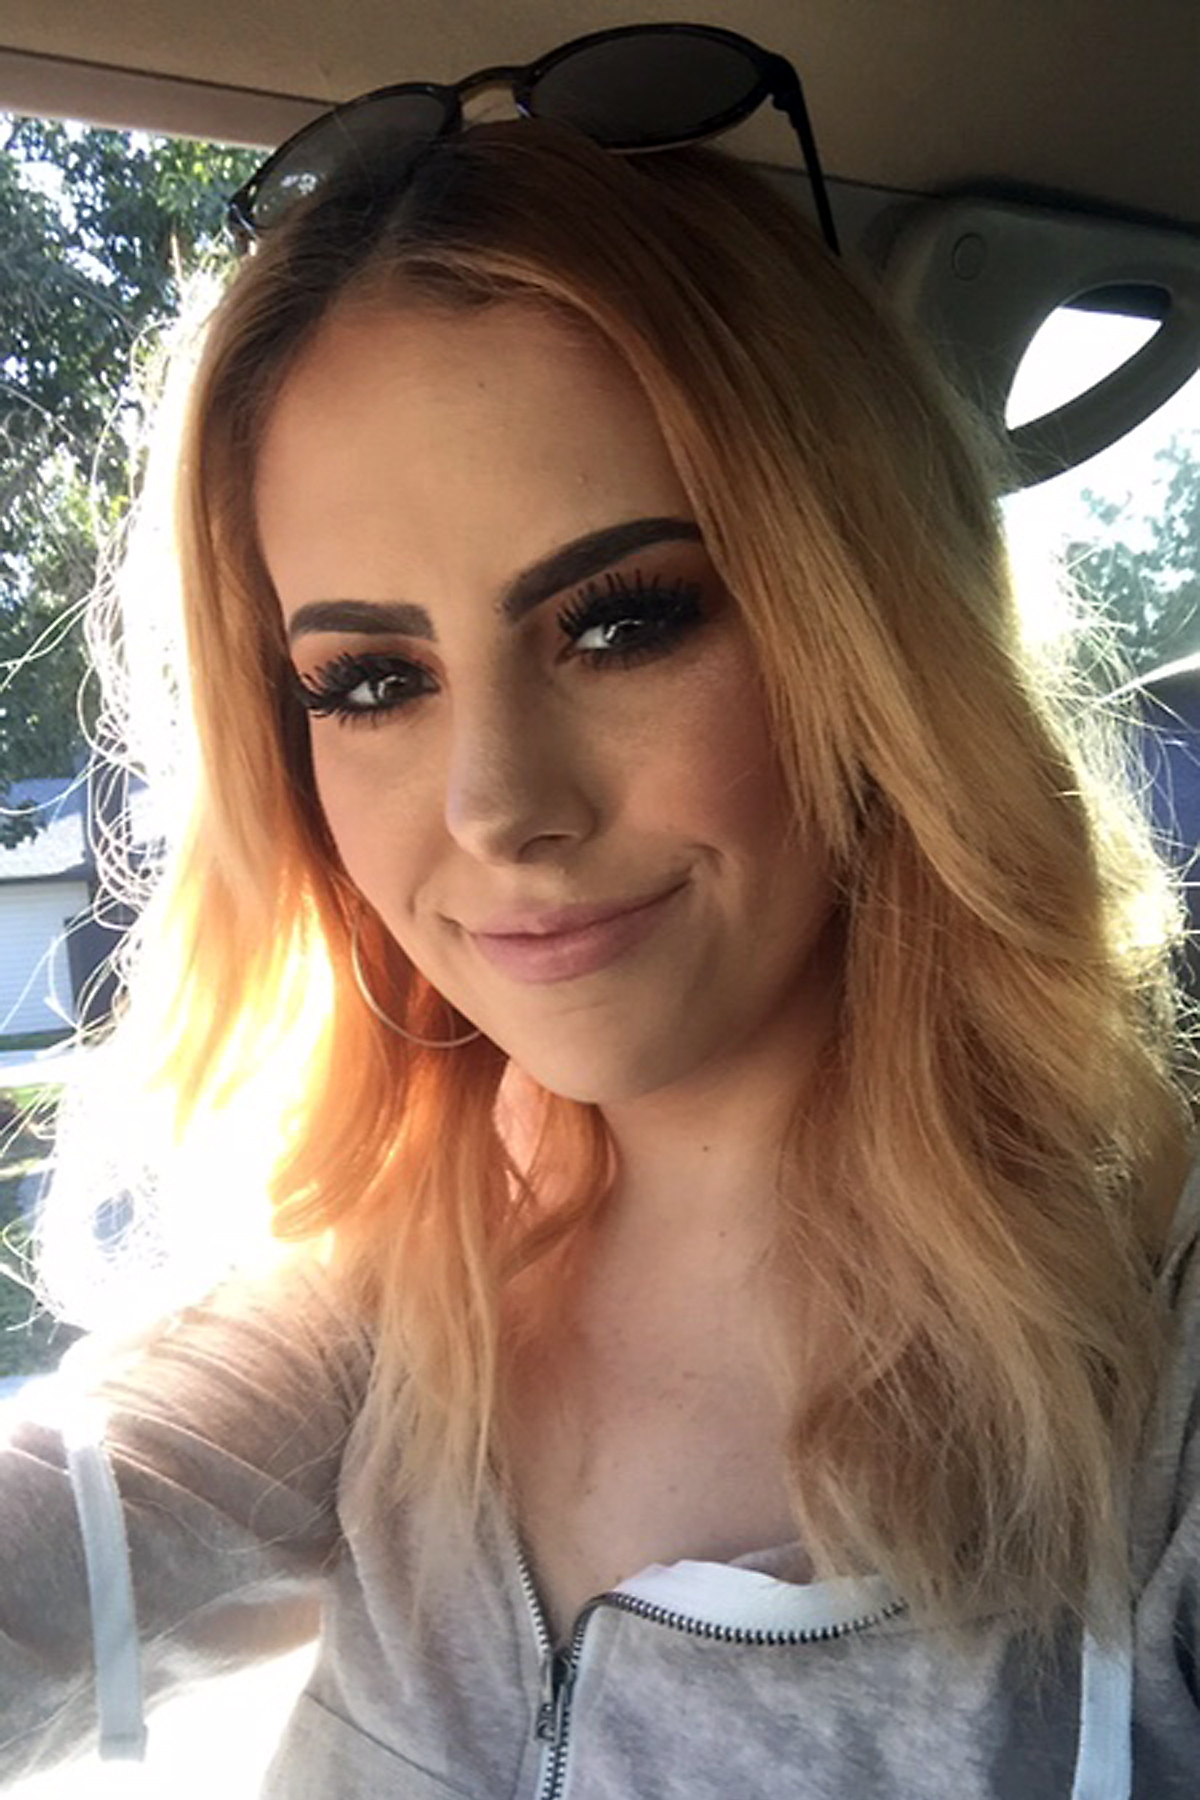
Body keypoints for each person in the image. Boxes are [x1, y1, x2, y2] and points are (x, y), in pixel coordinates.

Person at [1, 24, 1197, 1798]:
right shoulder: (401, 1286)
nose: (496, 807)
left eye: (624, 620)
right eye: (369, 680)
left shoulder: (1158, 1372)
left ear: (867, 632)